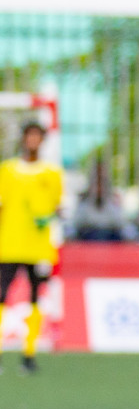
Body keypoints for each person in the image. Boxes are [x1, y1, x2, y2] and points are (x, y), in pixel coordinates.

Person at [0, 122, 64, 374]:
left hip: (38, 247)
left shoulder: (51, 174)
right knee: (2, 294)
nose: (33, 141)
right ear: (23, 139)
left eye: (38, 136)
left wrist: (47, 218)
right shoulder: (7, 170)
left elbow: (57, 208)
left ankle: (29, 353)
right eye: (30, 136)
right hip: (9, 244)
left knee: (36, 297)